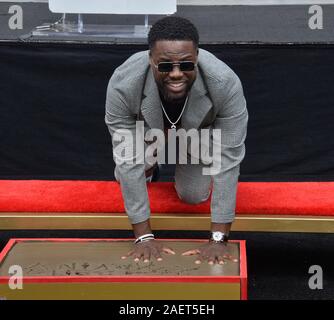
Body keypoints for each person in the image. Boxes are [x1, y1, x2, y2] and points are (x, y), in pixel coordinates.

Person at [105, 16, 248, 265]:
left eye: (186, 65)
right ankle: (151, 166)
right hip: (147, 134)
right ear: (150, 60)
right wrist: (143, 237)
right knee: (127, 171)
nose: (176, 74)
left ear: (197, 57)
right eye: (165, 66)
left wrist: (218, 239)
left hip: (196, 136)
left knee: (194, 195)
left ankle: (164, 159)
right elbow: (127, 158)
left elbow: (227, 159)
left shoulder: (224, 83)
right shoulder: (123, 84)